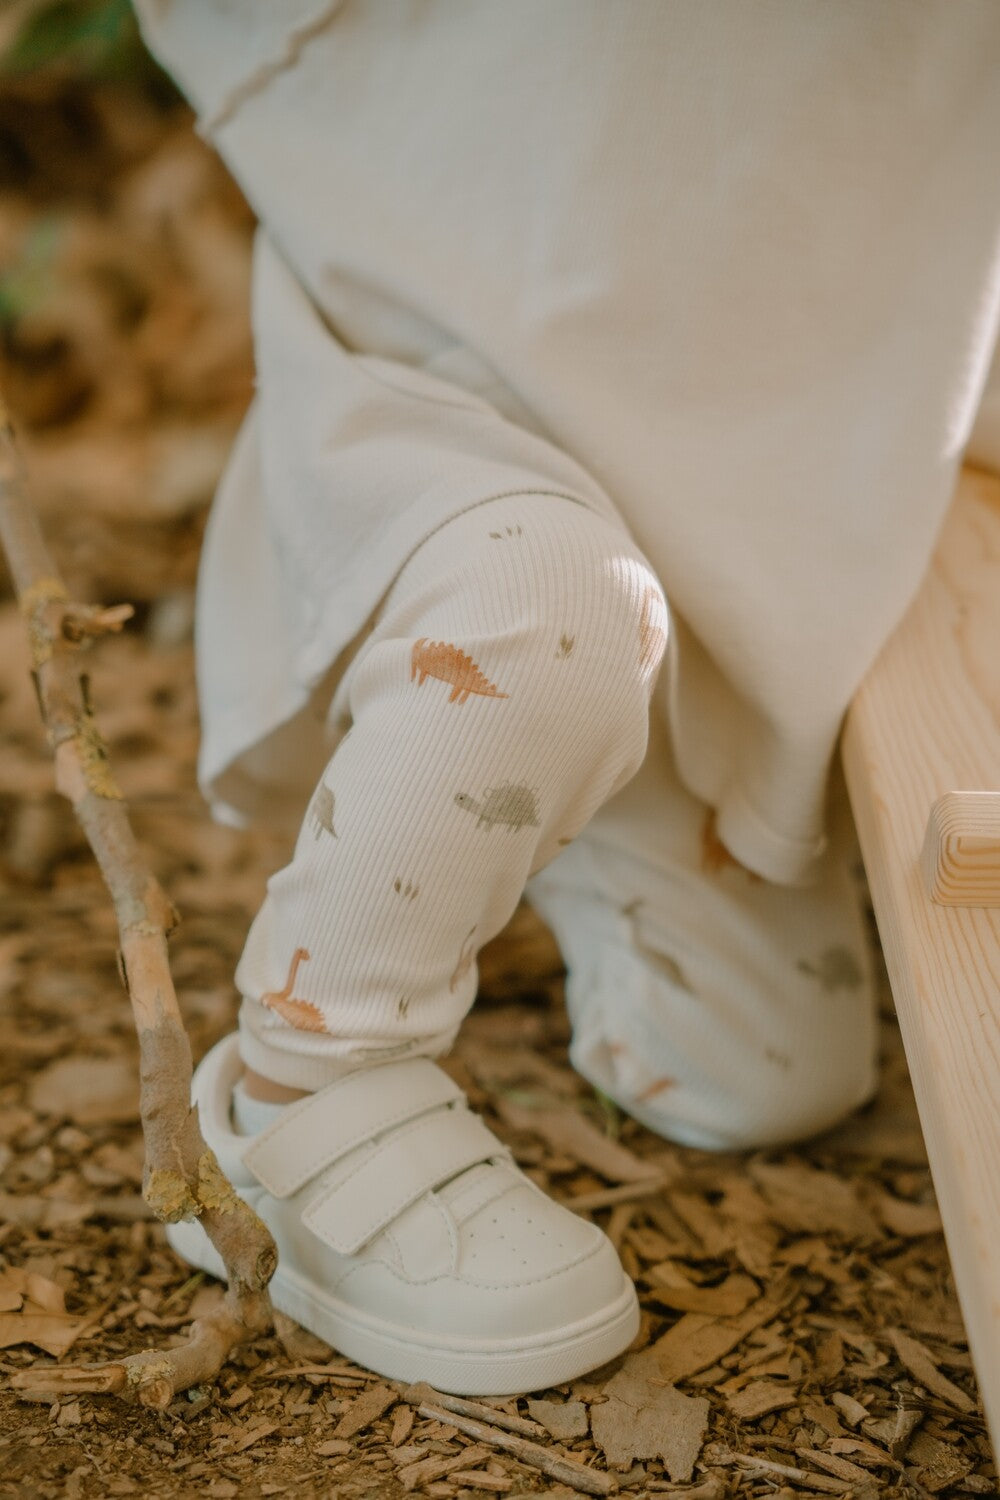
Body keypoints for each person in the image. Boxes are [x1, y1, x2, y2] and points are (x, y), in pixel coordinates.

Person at [133, 0, 1000, 1393]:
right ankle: (300, 1080)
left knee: (763, 1081)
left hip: (775, 451)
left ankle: (579, 793)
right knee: (547, 618)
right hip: (472, 396)